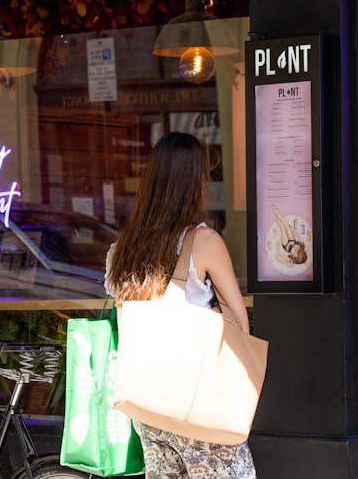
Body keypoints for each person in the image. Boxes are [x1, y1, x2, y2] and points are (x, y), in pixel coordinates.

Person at [105, 131, 256, 478]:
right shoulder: (203, 241)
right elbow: (239, 325)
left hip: (148, 406)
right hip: (196, 404)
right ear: (194, 184)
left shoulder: (123, 248)